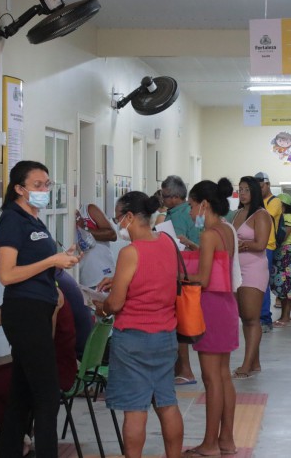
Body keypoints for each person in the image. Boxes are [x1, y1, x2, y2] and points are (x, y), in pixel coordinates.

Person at [0, 160, 82, 458]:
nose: (44, 190)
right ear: (19, 189)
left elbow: (38, 264)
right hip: (24, 313)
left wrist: (60, 261)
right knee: (47, 397)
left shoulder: (34, 219)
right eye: (37, 185)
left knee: (21, 394)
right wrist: (51, 262)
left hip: (40, 308)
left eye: (47, 184)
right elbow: (7, 274)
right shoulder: (11, 220)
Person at [92, 191, 184, 458]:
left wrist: (103, 306)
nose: (118, 224)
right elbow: (160, 277)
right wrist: (122, 281)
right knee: (167, 403)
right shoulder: (167, 241)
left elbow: (117, 304)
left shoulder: (130, 252)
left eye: (118, 218)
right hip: (166, 335)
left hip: (133, 339)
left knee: (135, 410)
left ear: (130, 217)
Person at [0, 284, 78, 452]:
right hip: (29, 362)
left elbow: (43, 339)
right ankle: (18, 434)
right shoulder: (23, 290)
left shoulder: (51, 293)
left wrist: (7, 317)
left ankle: (17, 441)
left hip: (53, 368)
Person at [182, 179, 240, 457]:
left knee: (211, 378)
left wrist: (175, 275)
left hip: (211, 307)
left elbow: (202, 279)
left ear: (204, 204)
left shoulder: (209, 235)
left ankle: (209, 443)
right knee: (223, 376)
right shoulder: (226, 230)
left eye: (192, 206)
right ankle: (226, 439)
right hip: (226, 304)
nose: (191, 213)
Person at [161, 175, 201, 386]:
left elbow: (176, 247)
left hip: (182, 273)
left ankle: (184, 370)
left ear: (176, 197)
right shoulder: (182, 212)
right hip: (188, 270)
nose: (163, 200)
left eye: (166, 196)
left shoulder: (177, 216)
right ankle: (181, 369)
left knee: (180, 321)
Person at [231, 176, 272, 379]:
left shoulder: (261, 214)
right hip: (237, 268)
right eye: (240, 189)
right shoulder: (238, 212)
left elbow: (261, 244)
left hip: (254, 268)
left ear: (255, 191)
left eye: (246, 189)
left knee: (251, 317)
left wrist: (243, 245)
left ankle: (247, 364)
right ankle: (254, 362)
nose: (243, 193)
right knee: (244, 317)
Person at [254, 171, 282, 332]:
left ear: (268, 184)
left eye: (261, 186)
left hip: (268, 247)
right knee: (255, 283)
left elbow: (263, 216)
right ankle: (255, 317)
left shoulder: (275, 202)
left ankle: (265, 319)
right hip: (254, 245)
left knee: (263, 284)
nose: (259, 190)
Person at [272, 193, 291, 327]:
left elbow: (283, 236)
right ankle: (284, 316)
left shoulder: (289, 217)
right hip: (281, 253)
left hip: (286, 252)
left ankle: (285, 317)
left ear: (283, 206)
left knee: (287, 286)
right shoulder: (282, 217)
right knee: (282, 286)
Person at [75, 203, 117, 289]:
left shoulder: (88, 210)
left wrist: (84, 228)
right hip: (82, 277)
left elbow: (112, 235)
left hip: (102, 274)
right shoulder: (65, 215)